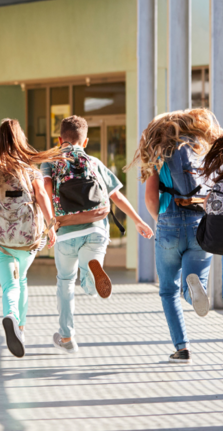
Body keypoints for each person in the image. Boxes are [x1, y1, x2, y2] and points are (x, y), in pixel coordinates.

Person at [43, 116, 153, 354]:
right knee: (89, 285)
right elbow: (117, 197)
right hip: (96, 228)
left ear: (59, 139)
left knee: (65, 282)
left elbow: (46, 191)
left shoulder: (51, 162)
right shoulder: (93, 162)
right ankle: (92, 273)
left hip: (66, 232)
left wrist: (51, 224)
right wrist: (139, 221)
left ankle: (66, 337)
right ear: (86, 141)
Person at [127, 108, 220, 364]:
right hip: (201, 224)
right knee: (193, 280)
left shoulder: (160, 153)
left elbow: (150, 196)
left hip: (170, 220)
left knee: (168, 290)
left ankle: (182, 347)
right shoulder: (203, 151)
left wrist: (160, 220)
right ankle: (193, 292)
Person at [0, 119, 62, 358]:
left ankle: (11, 316)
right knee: (21, 279)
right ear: (20, 140)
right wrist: (51, 225)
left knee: (9, 285)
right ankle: (20, 329)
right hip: (28, 241)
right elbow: (42, 196)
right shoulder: (30, 170)